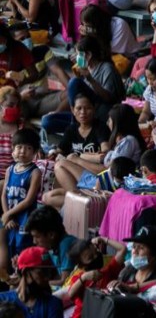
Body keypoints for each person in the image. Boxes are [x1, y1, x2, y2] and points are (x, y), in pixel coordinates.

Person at [0, 129, 41, 269]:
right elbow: (4, 194)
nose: (22, 151)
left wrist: (8, 214)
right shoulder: (10, 170)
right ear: (13, 149)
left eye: (28, 148)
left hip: (25, 219)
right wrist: (8, 215)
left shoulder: (35, 172)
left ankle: (20, 280)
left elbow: (29, 200)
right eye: (19, 147)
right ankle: (6, 279)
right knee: (5, 244)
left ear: (35, 153)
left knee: (22, 250)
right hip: (9, 218)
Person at [65, 235, 127, 318]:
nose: (96, 257)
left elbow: (122, 249)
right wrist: (83, 278)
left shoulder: (108, 271)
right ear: (81, 265)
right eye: (90, 257)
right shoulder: (79, 279)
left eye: (96, 252)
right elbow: (70, 294)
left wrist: (104, 239)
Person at [108, 225, 156, 298]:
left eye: (141, 248)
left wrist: (132, 287)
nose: (134, 251)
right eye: (134, 246)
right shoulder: (128, 271)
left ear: (154, 255)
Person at [0, 247, 62, 318]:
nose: (47, 278)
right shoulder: (3, 299)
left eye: (49, 272)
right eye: (43, 272)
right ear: (26, 273)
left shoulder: (53, 304)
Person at [24, 207, 77, 287]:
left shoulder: (66, 245)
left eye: (37, 237)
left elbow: (65, 282)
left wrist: (32, 284)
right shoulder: (52, 245)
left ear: (51, 235)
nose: (34, 242)